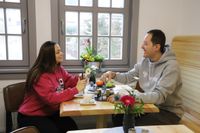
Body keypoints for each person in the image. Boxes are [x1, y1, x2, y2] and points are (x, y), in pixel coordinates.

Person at [101, 29, 184, 126]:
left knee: (131, 124)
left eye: (145, 44)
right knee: (118, 115)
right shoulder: (145, 60)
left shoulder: (171, 67)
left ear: (156, 47)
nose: (141, 46)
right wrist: (113, 74)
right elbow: (128, 77)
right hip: (150, 105)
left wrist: (130, 97)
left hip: (168, 112)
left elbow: (159, 97)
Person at [18, 41, 87, 133]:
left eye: (60, 51)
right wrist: (76, 90)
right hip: (31, 115)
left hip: (49, 113)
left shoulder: (58, 68)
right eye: (58, 52)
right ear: (49, 56)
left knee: (72, 127)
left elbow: (68, 80)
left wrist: (80, 77)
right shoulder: (40, 75)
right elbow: (51, 99)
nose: (61, 53)